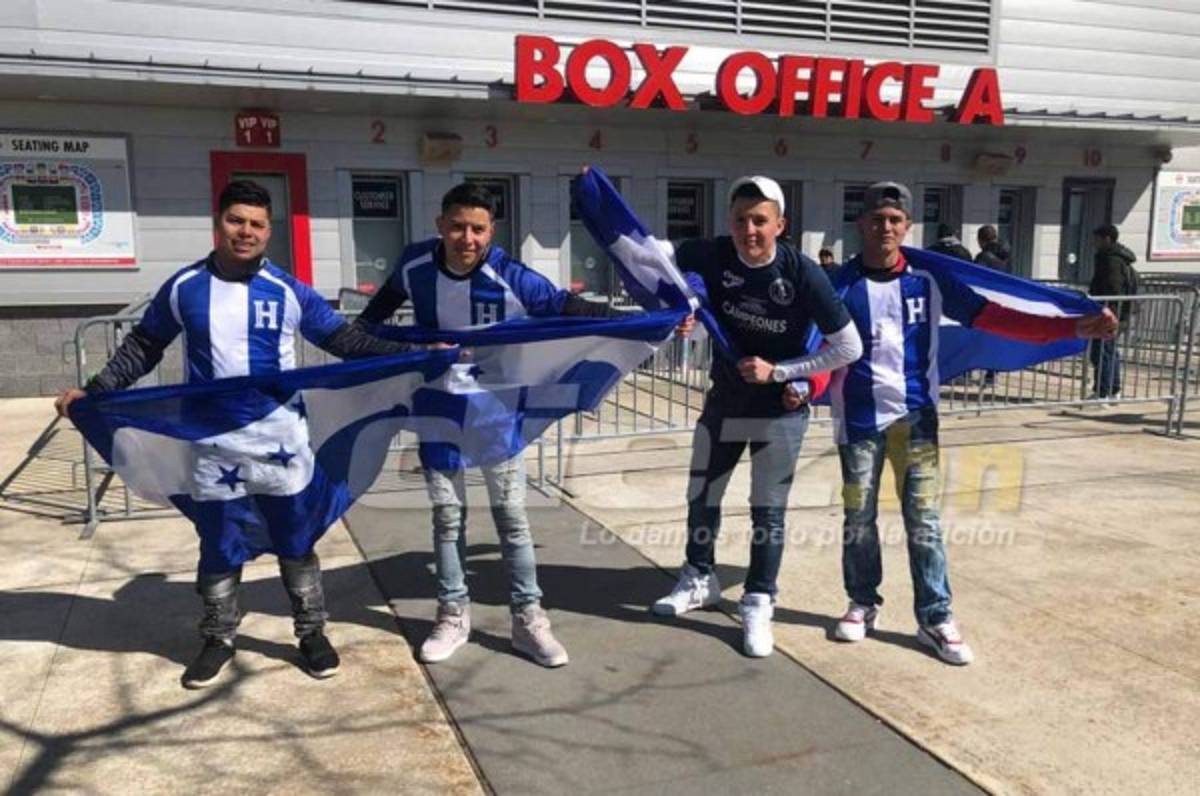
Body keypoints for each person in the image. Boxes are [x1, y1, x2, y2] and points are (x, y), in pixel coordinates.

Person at [55, 180, 412, 688]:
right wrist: (96, 390)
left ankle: (311, 633)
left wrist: (414, 358)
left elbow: (346, 340)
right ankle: (218, 637)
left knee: (296, 538)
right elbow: (144, 344)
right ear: (218, 222)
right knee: (219, 542)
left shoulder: (290, 291)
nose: (246, 231)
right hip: (212, 443)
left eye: (257, 224)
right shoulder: (184, 287)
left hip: (280, 443)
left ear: (269, 231)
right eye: (236, 220)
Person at [816, 181, 1115, 665]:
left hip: (917, 418)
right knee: (858, 518)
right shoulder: (839, 285)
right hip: (858, 420)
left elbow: (994, 317)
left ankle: (935, 616)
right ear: (861, 224)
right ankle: (862, 603)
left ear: (908, 227)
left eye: (894, 219)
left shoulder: (930, 280)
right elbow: (813, 342)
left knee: (924, 521)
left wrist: (1072, 326)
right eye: (876, 219)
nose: (885, 227)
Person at [353, 182, 630, 668]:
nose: (467, 238)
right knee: (447, 517)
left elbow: (564, 306)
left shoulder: (510, 273)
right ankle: (452, 613)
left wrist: (641, 319)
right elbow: (366, 328)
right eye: (457, 226)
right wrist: (413, 352)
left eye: (478, 229)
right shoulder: (415, 265)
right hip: (437, 410)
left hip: (496, 415)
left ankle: (528, 618)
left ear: (491, 231)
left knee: (512, 519)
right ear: (440, 225)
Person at [640, 176, 862, 658]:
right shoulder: (711, 253)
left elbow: (849, 346)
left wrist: (782, 372)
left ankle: (759, 599)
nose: (749, 230)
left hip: (779, 410)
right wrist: (682, 310)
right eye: (740, 219)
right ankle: (700, 577)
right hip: (724, 400)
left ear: (780, 225)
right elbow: (659, 256)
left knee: (768, 510)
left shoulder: (803, 272)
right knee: (702, 494)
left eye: (760, 220)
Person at [1088, 223, 1137, 400]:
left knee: (1101, 352)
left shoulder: (1111, 260)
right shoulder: (1118, 258)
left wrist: (1108, 313)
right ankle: (1112, 389)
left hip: (1110, 313)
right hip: (1116, 312)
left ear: (1106, 239)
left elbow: (1113, 289)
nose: (1093, 243)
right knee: (1109, 351)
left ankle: (1103, 391)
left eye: (1096, 239)